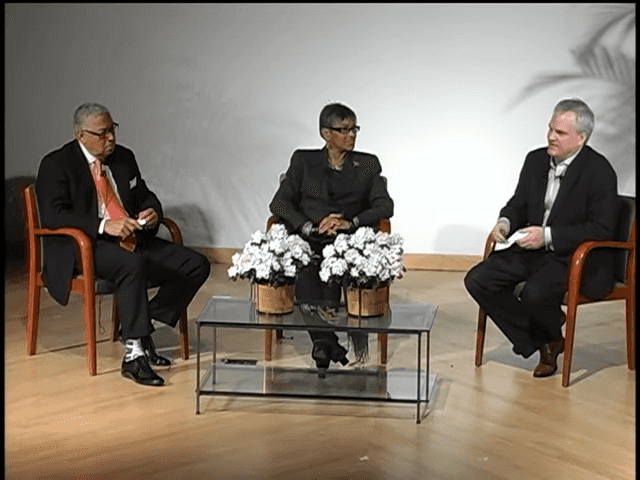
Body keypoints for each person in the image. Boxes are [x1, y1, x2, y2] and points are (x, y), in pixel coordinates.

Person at [36, 103, 211, 387]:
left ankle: (142, 328)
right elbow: (55, 214)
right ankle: (134, 357)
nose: (111, 139)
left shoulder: (123, 158)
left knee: (196, 264)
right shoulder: (56, 163)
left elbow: (144, 195)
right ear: (81, 135)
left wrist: (153, 212)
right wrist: (104, 225)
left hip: (131, 238)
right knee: (132, 265)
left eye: (113, 129)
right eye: (102, 133)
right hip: (87, 245)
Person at [464, 98, 618, 378]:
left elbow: (602, 229)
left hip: (572, 256)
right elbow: (519, 203)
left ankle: (546, 340)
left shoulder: (600, 171)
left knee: (536, 293)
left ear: (581, 138)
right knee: (478, 279)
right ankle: (545, 338)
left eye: (560, 133)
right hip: (532, 250)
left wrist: (547, 236)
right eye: (550, 129)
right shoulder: (535, 160)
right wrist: (505, 222)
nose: (550, 137)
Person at [269, 102, 394, 376]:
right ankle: (327, 344)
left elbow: (385, 207)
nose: (352, 135)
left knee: (331, 268)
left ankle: (324, 346)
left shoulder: (367, 164)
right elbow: (279, 204)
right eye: (344, 129)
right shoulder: (303, 161)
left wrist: (351, 222)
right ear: (326, 133)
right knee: (307, 269)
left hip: (346, 242)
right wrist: (308, 227)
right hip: (310, 238)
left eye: (354, 129)